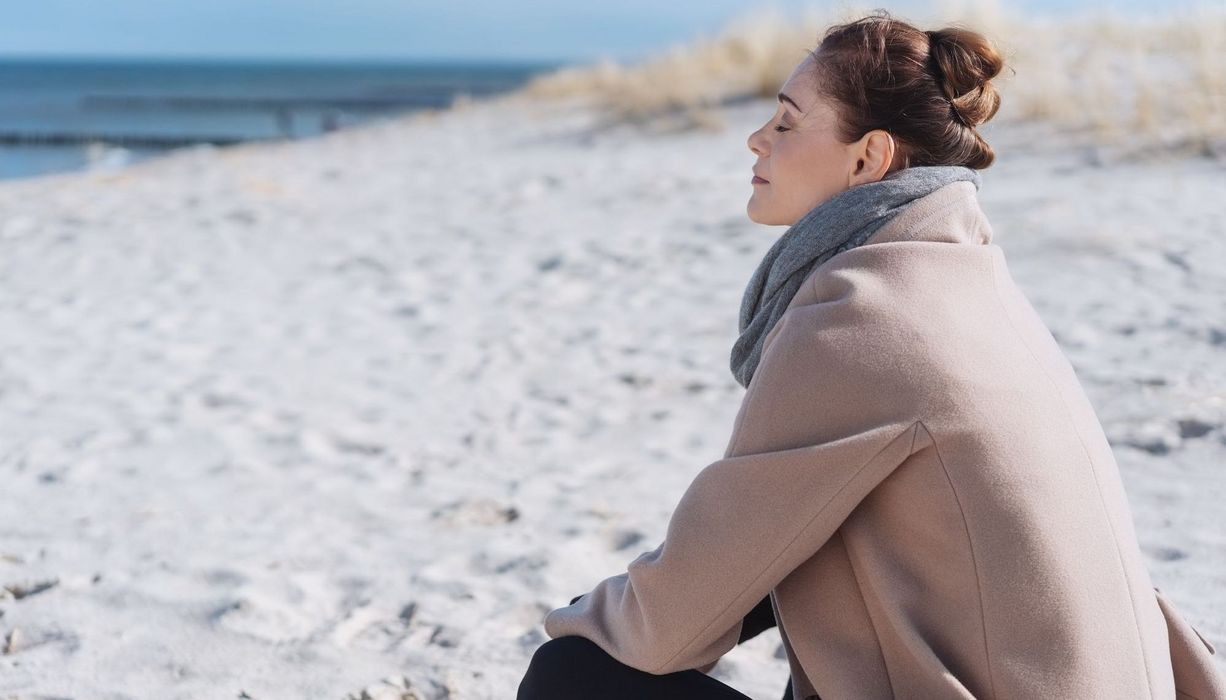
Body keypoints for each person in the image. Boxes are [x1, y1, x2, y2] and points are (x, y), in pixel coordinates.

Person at [518, 10, 1225, 700]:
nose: (757, 141)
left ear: (869, 158)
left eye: (787, 122)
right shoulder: (970, 281)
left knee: (575, 674)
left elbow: (666, 628)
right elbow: (759, 554)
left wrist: (582, 619)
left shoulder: (864, 318)